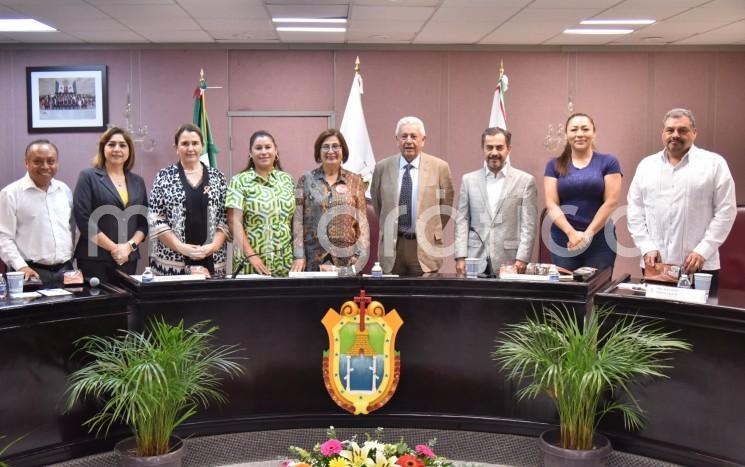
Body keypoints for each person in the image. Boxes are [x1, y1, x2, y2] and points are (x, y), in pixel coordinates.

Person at [627, 108, 736, 293]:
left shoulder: (714, 164)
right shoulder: (646, 166)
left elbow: (726, 212)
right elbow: (634, 211)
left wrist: (703, 249)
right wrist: (646, 246)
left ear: (694, 133)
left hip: (700, 266)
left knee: (698, 321)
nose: (675, 135)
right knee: (657, 320)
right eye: (670, 130)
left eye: (682, 130)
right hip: (656, 266)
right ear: (663, 133)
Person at [370, 116, 454, 276]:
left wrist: (429, 228)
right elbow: (378, 203)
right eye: (404, 136)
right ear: (397, 140)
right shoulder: (382, 168)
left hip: (425, 246)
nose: (409, 141)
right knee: (393, 298)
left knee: (425, 299)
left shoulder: (440, 168)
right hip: (393, 246)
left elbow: (445, 206)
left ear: (423, 140)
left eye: (414, 136)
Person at [543, 113, 622, 272]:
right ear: (566, 134)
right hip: (564, 239)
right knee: (566, 292)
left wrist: (588, 235)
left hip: (601, 240)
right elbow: (551, 203)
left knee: (597, 290)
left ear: (594, 132)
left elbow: (611, 202)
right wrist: (571, 233)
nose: (580, 134)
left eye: (585, 129)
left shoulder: (609, 162)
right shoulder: (553, 165)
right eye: (574, 130)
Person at [148, 124, 229, 276]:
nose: (190, 148)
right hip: (171, 262)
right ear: (176, 147)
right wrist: (180, 247)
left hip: (212, 261)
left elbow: (225, 218)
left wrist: (212, 246)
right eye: (185, 144)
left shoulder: (218, 177)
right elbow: (155, 218)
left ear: (202, 146)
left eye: (195, 143)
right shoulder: (163, 177)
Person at [455, 127, 537, 276]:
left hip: (510, 261)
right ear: (483, 149)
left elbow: (528, 225)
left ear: (509, 149)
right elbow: (462, 220)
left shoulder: (525, 181)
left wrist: (522, 258)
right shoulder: (468, 180)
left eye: (499, 147)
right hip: (474, 259)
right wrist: (460, 256)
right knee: (474, 300)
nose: (494, 152)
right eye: (489, 147)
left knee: (508, 300)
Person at [73, 127, 148, 283]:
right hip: (94, 259)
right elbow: (84, 220)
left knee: (126, 306)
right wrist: (115, 249)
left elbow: (143, 223)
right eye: (111, 144)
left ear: (129, 150)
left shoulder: (138, 182)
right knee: (97, 306)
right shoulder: (88, 176)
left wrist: (128, 247)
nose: (117, 149)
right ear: (103, 148)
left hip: (127, 259)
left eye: (122, 145)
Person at [226, 130, 304, 276]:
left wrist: (299, 255)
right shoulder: (239, 181)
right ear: (250, 153)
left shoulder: (287, 180)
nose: (264, 152)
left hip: (285, 264)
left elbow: (296, 221)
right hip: (250, 264)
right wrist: (251, 256)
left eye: (268, 147)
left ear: (276, 151)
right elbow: (233, 221)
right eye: (258, 148)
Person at [0, 140, 75, 284]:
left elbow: (70, 228)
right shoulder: (10, 194)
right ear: (26, 163)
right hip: (30, 273)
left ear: (57, 163)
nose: (45, 166)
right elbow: (3, 237)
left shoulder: (64, 190)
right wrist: (21, 266)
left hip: (66, 271)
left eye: (51, 161)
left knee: (70, 307)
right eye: (38, 161)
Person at [294, 129, 370, 271]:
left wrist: (359, 256)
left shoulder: (355, 180)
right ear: (318, 151)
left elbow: (362, 222)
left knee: (345, 294)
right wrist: (298, 255)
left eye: (336, 146)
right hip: (312, 259)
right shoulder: (305, 180)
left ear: (343, 151)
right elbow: (298, 219)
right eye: (325, 146)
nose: (331, 151)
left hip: (347, 259)